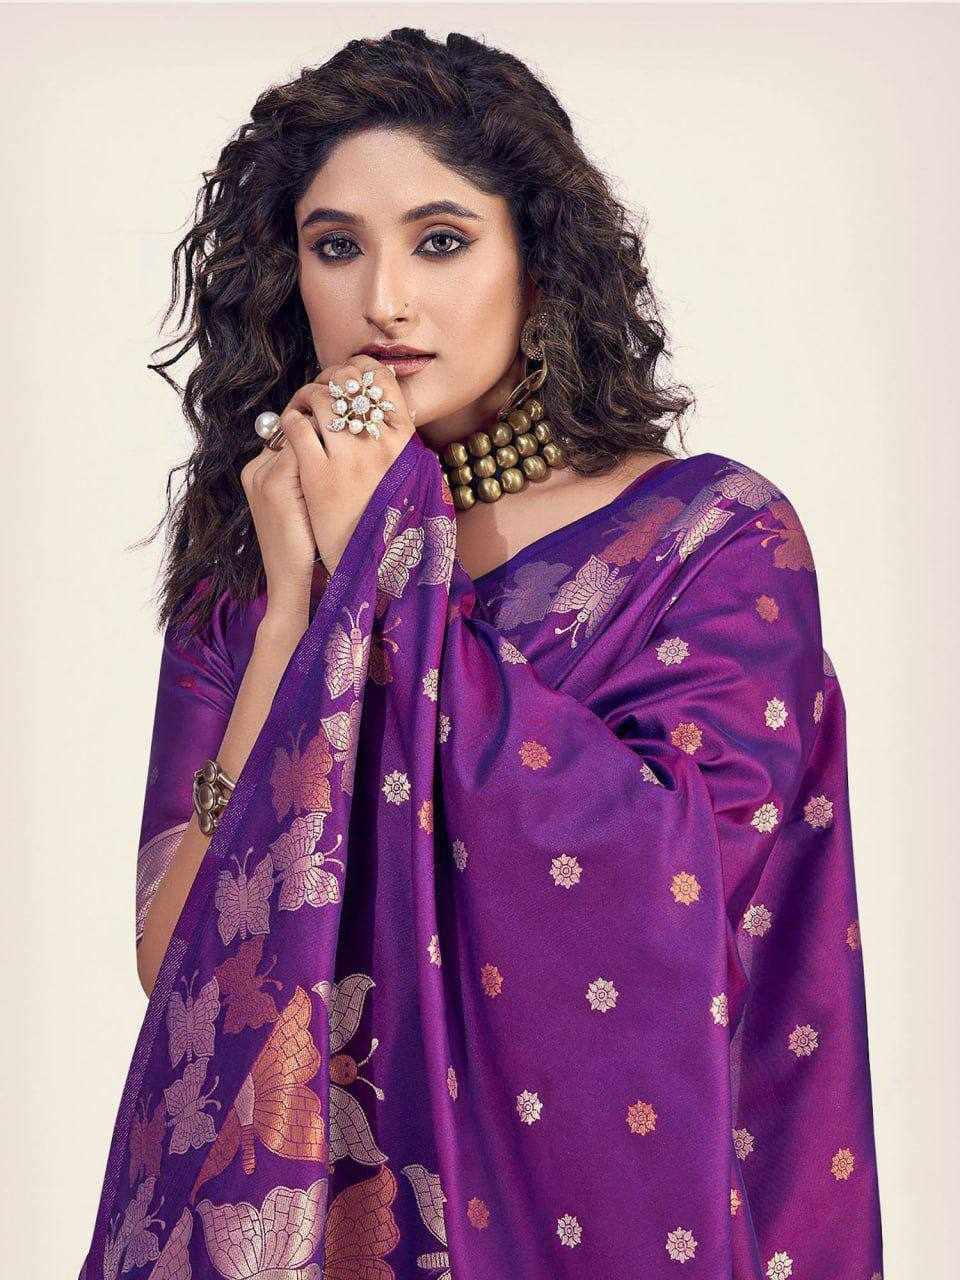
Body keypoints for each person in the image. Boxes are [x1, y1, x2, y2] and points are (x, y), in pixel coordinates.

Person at [78, 27, 884, 1280]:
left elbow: (685, 886)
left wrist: (388, 567)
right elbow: (177, 959)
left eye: (441, 241)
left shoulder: (708, 541)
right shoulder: (257, 566)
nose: (384, 299)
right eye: (335, 245)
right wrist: (298, 614)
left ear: (537, 264)